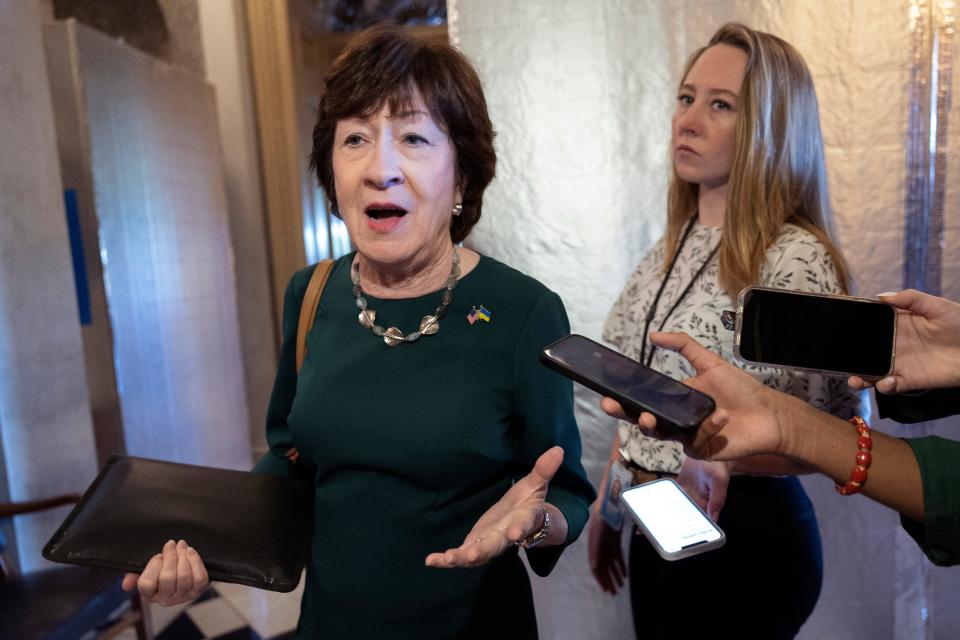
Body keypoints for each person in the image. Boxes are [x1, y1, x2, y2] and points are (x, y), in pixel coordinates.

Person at [122, 24, 595, 638]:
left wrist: (534, 523)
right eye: (356, 139)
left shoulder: (523, 311)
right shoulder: (311, 293)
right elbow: (290, 456)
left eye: (414, 138)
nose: (381, 168)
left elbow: (564, 495)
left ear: (461, 178)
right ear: (332, 173)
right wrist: (203, 542)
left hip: (471, 624)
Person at [591, 23, 864, 638]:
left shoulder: (795, 260)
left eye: (720, 105)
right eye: (686, 98)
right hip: (658, 522)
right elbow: (640, 397)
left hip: (747, 537)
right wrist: (610, 512)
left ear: (769, 126)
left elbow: (840, 437)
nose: (687, 120)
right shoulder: (671, 246)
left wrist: (727, 461)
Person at [606, 288, 960, 565]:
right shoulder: (667, 248)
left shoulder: (798, 251)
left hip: (743, 520)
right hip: (648, 511)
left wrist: (785, 425)